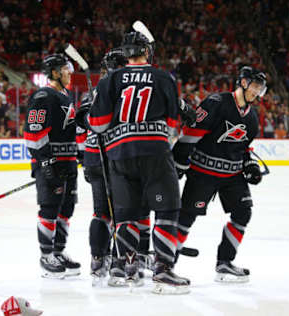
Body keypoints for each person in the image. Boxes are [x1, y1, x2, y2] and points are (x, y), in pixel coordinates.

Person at [84, 31, 190, 294]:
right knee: (167, 209)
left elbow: (97, 125)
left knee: (127, 213)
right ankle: (163, 270)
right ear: (146, 51)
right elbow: (174, 124)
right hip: (154, 151)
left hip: (119, 154)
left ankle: (129, 267)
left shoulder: (110, 80)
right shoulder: (163, 77)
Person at [173, 66, 267, 283]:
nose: (257, 91)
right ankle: (166, 262)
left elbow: (243, 149)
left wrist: (249, 165)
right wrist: (179, 160)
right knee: (186, 217)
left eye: (260, 88)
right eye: (254, 86)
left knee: (243, 213)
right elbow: (191, 132)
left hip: (232, 175)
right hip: (203, 172)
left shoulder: (252, 118)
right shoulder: (217, 102)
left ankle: (224, 263)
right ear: (243, 83)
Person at [23, 54, 80, 279]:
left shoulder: (65, 95)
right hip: (52, 163)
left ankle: (58, 250)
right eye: (66, 70)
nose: (69, 73)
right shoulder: (44, 95)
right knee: (50, 208)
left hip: (68, 162)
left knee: (66, 210)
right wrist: (45, 161)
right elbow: (33, 132)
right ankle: (46, 256)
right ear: (55, 73)